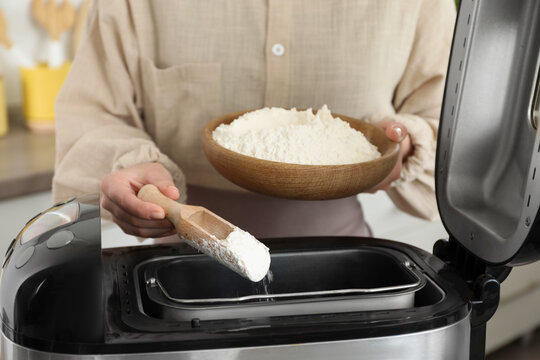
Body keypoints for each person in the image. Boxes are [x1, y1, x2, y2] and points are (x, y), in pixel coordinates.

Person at [53, 0, 456, 239]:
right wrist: (130, 169)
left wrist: (405, 146)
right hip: (180, 251)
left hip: (341, 254)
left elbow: (448, 116)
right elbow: (93, 112)